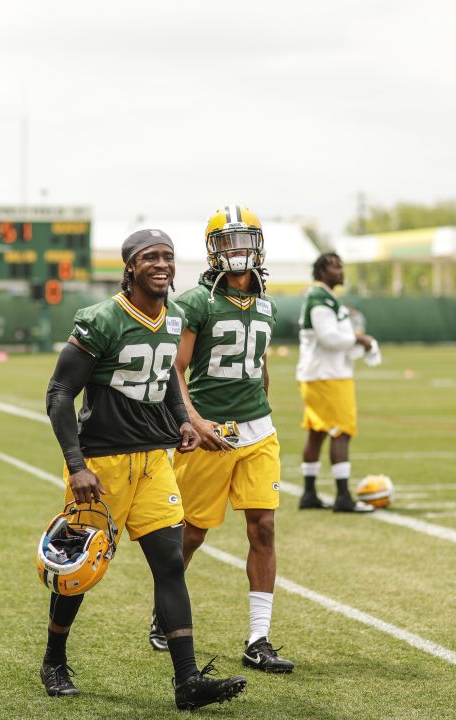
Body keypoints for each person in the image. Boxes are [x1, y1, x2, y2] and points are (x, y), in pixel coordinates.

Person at [42, 229, 248, 710]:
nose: (162, 264)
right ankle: (54, 659)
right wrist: (77, 467)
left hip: (156, 461)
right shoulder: (102, 319)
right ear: (130, 267)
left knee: (170, 564)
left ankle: (187, 681)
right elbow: (58, 394)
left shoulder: (175, 316)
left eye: (168, 257)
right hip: (104, 464)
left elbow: (167, 380)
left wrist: (181, 420)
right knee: (79, 571)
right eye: (150, 257)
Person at [154, 205, 295, 674]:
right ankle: (164, 612)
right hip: (211, 430)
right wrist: (192, 420)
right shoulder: (196, 301)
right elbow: (175, 369)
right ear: (214, 250)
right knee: (192, 532)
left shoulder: (267, 302)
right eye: (229, 242)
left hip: (259, 431)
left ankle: (259, 639)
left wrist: (264, 411)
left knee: (264, 527)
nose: (239, 251)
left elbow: (262, 369)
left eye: (245, 241)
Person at [296, 252, 377, 512]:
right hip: (328, 375)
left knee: (317, 432)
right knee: (341, 432)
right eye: (336, 267)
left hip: (321, 373)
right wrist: (359, 339)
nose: (341, 271)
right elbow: (329, 337)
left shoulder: (326, 298)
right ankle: (343, 496)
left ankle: (309, 493)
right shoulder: (319, 297)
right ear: (322, 272)